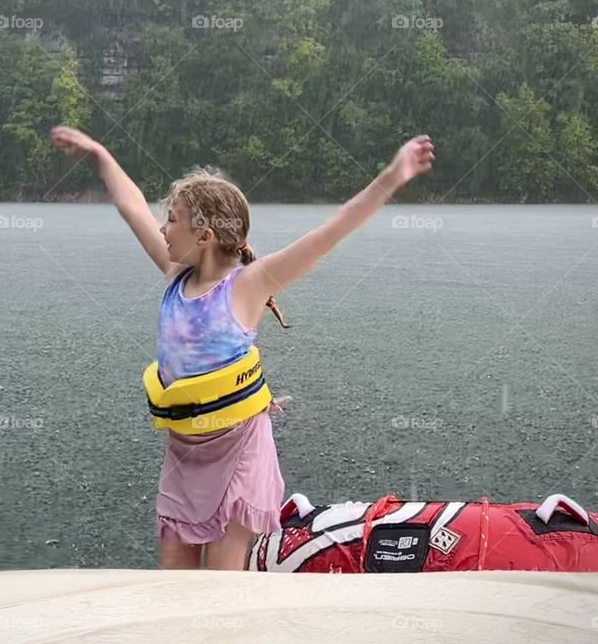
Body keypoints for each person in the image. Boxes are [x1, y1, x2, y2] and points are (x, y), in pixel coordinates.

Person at [50, 125, 435, 570]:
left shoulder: (248, 286)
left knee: (220, 584)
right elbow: (130, 203)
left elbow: (332, 230)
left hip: (238, 451)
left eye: (172, 218)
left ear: (205, 235)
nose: (162, 227)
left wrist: (393, 176)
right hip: (185, 453)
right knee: (174, 580)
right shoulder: (176, 274)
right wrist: (99, 153)